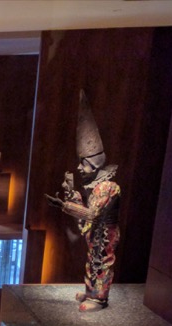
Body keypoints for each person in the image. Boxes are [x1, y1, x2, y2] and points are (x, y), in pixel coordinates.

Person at [45, 90, 120, 312]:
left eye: (83, 163)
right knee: (91, 260)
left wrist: (65, 206)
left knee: (102, 262)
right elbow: (87, 210)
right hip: (95, 232)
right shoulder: (95, 186)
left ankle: (99, 298)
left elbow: (92, 214)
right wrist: (71, 193)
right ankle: (90, 291)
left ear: (95, 163)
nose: (79, 167)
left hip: (105, 232)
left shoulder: (108, 187)